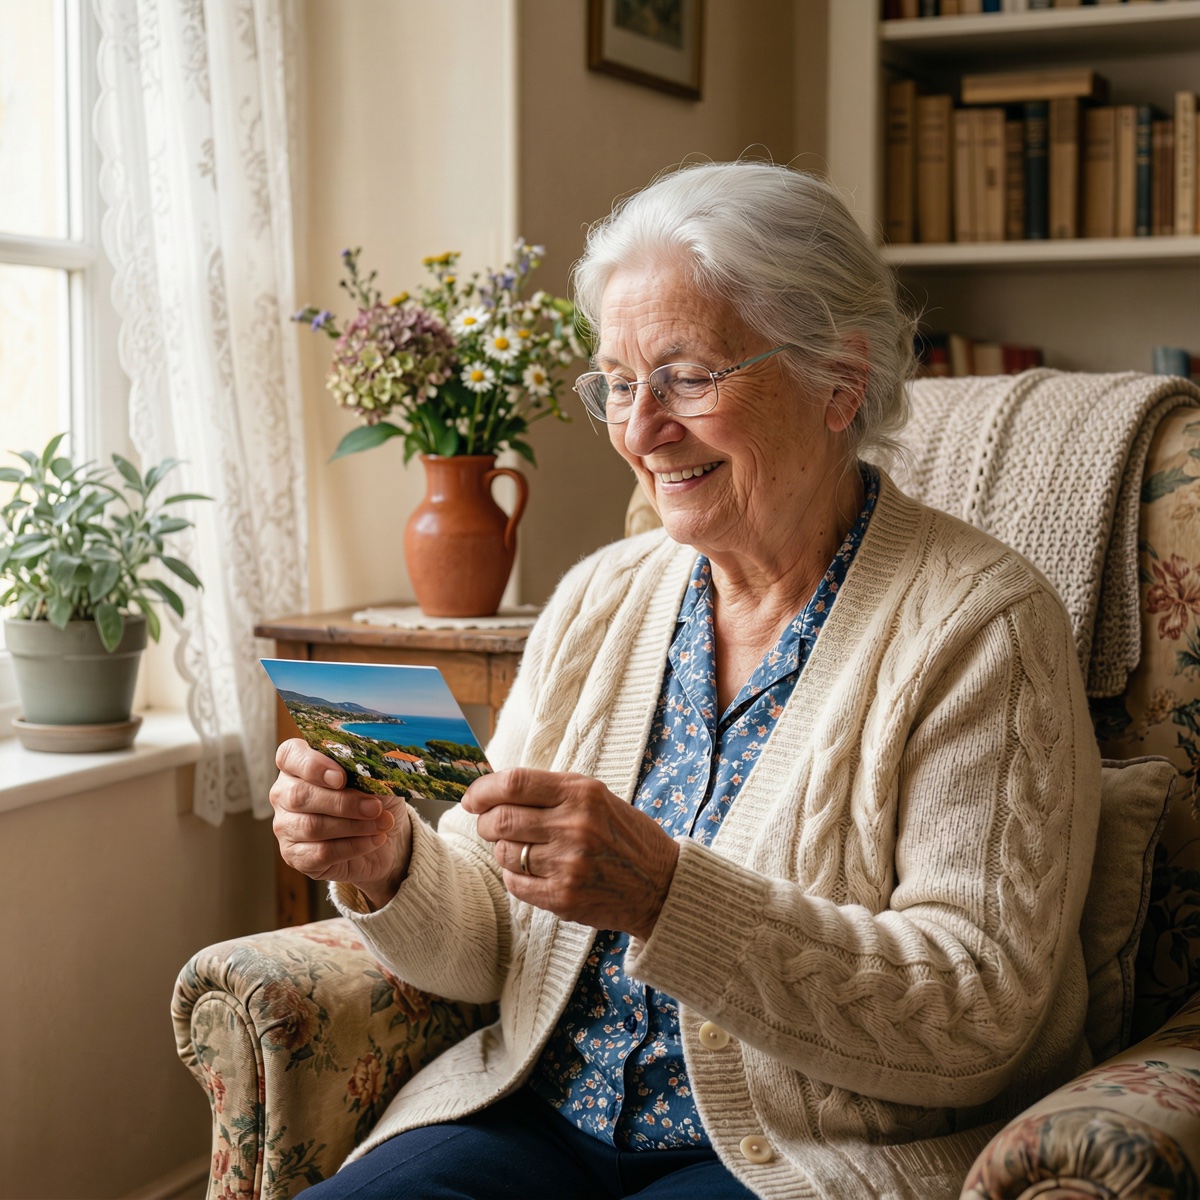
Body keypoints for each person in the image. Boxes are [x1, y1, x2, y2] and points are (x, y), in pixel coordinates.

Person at [269, 162, 1100, 1200]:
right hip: (539, 1118)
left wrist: (669, 897)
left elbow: (982, 1009)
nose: (639, 427)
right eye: (618, 382)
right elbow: (489, 941)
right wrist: (391, 862)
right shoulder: (599, 599)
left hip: (793, 1157)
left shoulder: (981, 626)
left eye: (688, 376)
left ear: (841, 380)